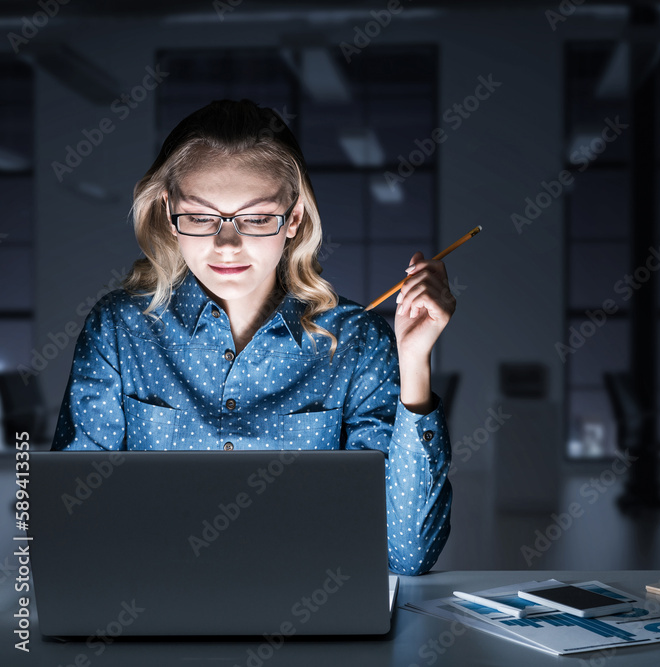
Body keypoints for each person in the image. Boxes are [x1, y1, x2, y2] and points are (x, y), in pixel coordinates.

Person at [51, 99, 455, 576]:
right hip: (148, 611)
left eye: (257, 218)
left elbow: (406, 555)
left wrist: (415, 361)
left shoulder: (358, 340)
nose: (226, 244)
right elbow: (71, 525)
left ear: (295, 218)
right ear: (168, 212)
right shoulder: (119, 328)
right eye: (201, 218)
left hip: (308, 618)